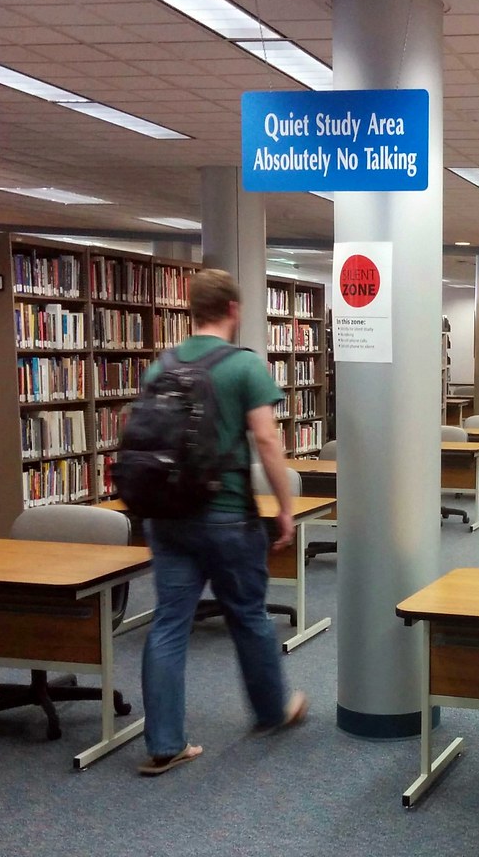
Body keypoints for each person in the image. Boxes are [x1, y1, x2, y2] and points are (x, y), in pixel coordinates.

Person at [138, 268, 307, 776]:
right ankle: (271, 710)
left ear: (191, 310)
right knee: (248, 614)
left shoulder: (161, 366)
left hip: (168, 517)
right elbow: (267, 441)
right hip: (226, 514)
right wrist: (285, 506)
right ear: (234, 309)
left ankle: (164, 743)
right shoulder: (244, 366)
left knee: (169, 622)